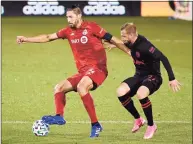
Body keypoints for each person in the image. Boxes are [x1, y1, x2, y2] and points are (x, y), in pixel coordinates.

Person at [16, 6, 130, 138]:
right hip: (83, 72)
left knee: (82, 86)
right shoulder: (67, 31)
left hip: (98, 69)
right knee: (59, 88)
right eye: (67, 17)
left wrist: (129, 52)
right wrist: (26, 39)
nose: (68, 20)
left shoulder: (92, 27)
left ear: (79, 16)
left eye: (71, 17)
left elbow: (113, 39)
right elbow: (47, 37)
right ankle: (59, 116)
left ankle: (95, 125)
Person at [106, 23, 181, 139]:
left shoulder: (145, 46)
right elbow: (128, 45)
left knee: (141, 94)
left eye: (124, 36)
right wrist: (115, 45)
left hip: (153, 77)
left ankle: (151, 125)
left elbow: (163, 57)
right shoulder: (133, 41)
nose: (122, 38)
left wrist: (172, 78)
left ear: (131, 35)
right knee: (120, 92)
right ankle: (138, 119)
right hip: (139, 76)